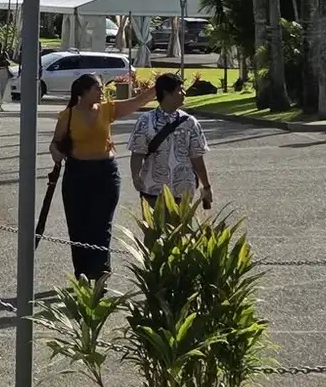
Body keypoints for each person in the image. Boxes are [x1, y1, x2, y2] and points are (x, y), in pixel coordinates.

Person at [51, 71, 157, 282]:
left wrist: (158, 86)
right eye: (97, 88)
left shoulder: (107, 109)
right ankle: (82, 274)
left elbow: (138, 101)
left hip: (105, 173)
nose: (102, 91)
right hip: (77, 173)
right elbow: (55, 142)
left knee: (101, 225)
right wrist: (56, 153)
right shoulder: (67, 116)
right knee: (78, 225)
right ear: (83, 92)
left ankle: (100, 274)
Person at [130, 73, 213, 211]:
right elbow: (137, 152)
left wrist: (206, 186)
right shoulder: (145, 121)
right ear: (166, 93)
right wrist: (135, 176)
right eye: (180, 89)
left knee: (181, 225)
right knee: (155, 225)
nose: (184, 93)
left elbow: (197, 157)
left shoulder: (190, 122)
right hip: (152, 190)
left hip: (183, 191)